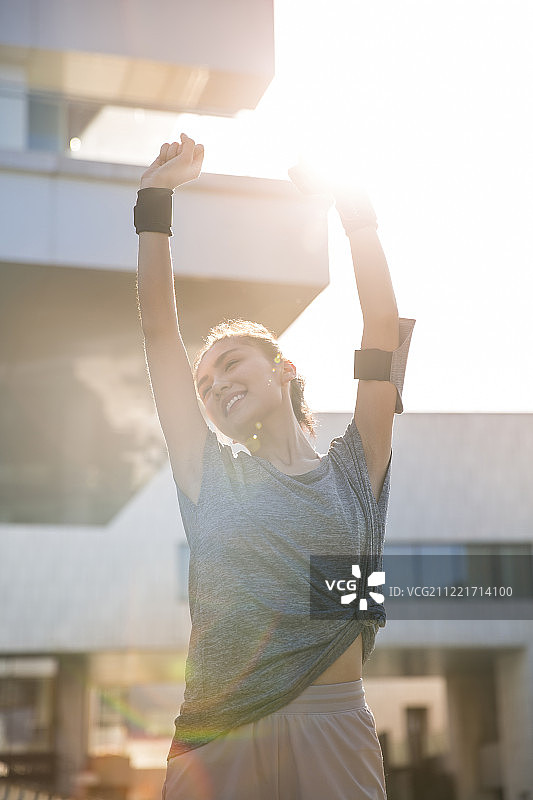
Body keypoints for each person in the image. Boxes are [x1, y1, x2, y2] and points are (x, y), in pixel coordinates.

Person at [135, 133, 415, 800]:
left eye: (229, 364)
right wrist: (156, 200)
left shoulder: (355, 469)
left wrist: (354, 209)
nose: (214, 385)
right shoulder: (212, 475)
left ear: (283, 369)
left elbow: (382, 325)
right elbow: (156, 334)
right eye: (204, 385)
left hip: (337, 724)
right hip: (220, 736)